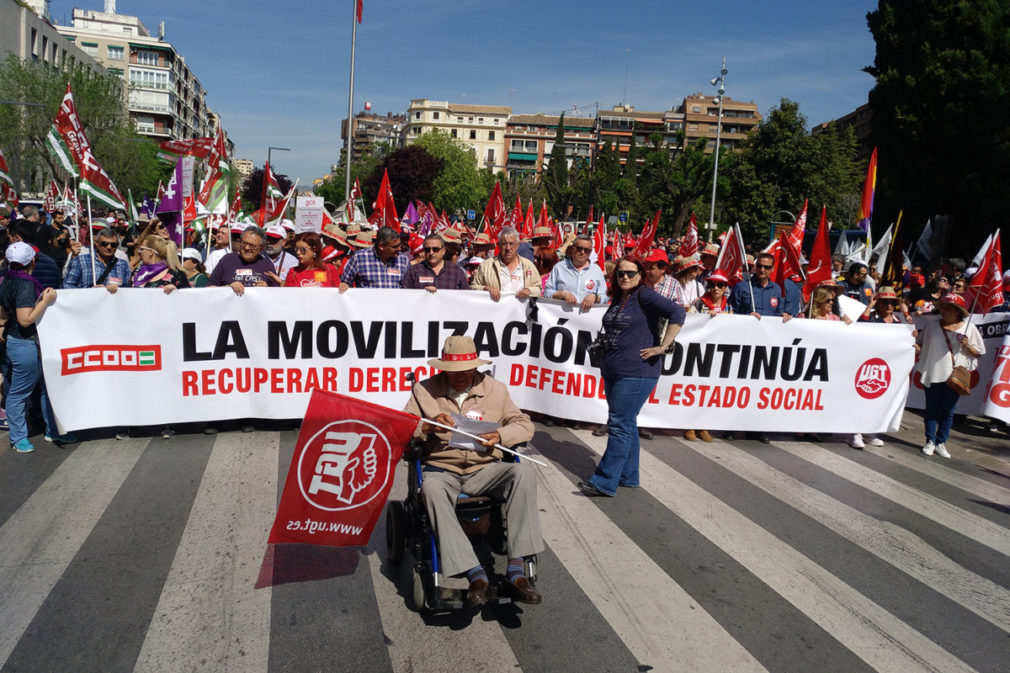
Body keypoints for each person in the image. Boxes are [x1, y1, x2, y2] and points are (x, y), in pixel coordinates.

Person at [403, 335, 543, 608]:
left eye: (467, 370)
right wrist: (429, 426)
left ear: (476, 367)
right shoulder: (424, 390)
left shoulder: (495, 389)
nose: (460, 376)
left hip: (484, 468)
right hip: (443, 468)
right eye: (454, 371)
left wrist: (500, 435)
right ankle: (475, 575)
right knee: (430, 489)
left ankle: (516, 571)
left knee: (524, 474)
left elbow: (524, 425)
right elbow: (403, 426)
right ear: (442, 368)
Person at [578, 256, 685, 497]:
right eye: (621, 273)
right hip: (615, 368)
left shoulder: (644, 295)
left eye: (631, 273)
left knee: (618, 424)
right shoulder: (620, 297)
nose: (625, 277)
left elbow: (677, 313)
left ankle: (604, 482)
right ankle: (628, 476)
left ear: (640, 275)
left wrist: (662, 346)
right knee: (626, 423)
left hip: (637, 371)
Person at [0, 242, 75, 452]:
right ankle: (19, 438)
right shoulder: (24, 285)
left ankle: (52, 430)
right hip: (26, 342)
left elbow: (4, 312)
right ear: (32, 261)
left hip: (25, 342)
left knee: (47, 387)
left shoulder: (6, 280)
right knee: (21, 391)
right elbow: (26, 320)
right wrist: (45, 301)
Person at [914, 293, 984, 458]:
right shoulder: (932, 327)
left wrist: (967, 346)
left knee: (948, 411)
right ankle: (930, 440)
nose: (944, 311)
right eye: (943, 307)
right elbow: (921, 344)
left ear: (958, 311)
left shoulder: (970, 329)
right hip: (933, 372)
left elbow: (978, 353)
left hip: (954, 376)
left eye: (949, 308)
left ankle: (941, 442)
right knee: (931, 409)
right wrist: (918, 348)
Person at [470, 227, 541, 301]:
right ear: (499, 245)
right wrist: (485, 288)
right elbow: (473, 287)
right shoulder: (486, 266)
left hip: (520, 312)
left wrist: (529, 290)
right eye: (504, 244)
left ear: (518, 245)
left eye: (511, 244)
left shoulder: (528, 266)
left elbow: (538, 288)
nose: (508, 248)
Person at [544, 233, 608, 311]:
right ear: (572, 249)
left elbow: (605, 297)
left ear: (590, 252)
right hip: (561, 316)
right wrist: (562, 294)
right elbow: (547, 292)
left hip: (587, 318)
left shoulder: (596, 270)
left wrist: (595, 296)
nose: (582, 252)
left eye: (586, 250)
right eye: (579, 248)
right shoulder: (559, 267)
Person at [208, 225, 279, 294]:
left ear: (261, 248)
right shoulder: (227, 260)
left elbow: (276, 294)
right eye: (244, 243)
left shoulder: (267, 265)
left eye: (252, 245)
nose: (247, 248)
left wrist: (267, 289)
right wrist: (228, 287)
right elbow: (210, 288)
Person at [339, 226, 409, 290]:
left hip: (394, 303)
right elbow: (345, 282)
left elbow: (410, 285)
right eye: (395, 247)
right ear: (381, 246)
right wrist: (345, 286)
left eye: (400, 245)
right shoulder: (359, 258)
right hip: (367, 303)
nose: (399, 249)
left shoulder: (403, 260)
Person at [63, 227, 132, 291]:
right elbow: (67, 285)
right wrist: (90, 292)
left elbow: (128, 288)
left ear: (117, 245)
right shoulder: (80, 261)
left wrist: (117, 290)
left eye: (113, 244)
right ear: (97, 243)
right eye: (104, 243)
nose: (109, 247)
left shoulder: (123, 265)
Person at [400, 233, 470, 291]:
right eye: (427, 250)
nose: (431, 253)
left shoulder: (456, 271)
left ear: (443, 251)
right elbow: (405, 295)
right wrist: (421, 294)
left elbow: (466, 296)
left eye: (435, 249)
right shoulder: (414, 271)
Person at [727, 251, 786, 320]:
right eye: (759, 266)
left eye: (766, 267)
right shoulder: (741, 287)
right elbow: (730, 312)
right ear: (755, 266)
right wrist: (747, 316)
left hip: (768, 330)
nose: (762, 269)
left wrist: (784, 315)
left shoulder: (777, 289)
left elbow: (779, 312)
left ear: (772, 269)